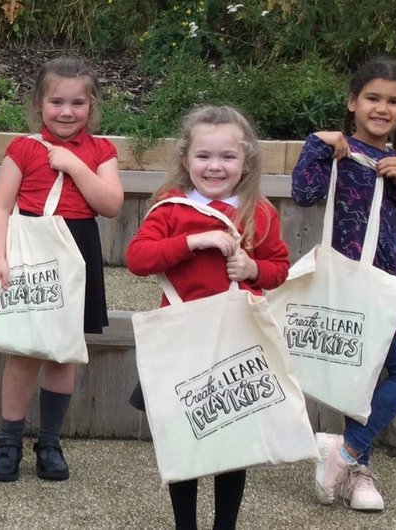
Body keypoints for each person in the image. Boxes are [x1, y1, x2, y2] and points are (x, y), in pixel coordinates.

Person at [126, 105, 291, 530]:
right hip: (183, 338)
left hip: (237, 339)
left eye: (227, 157)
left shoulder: (261, 212)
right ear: (185, 159)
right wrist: (193, 240)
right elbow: (138, 258)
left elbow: (279, 268)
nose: (214, 167)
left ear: (246, 161)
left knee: (232, 442)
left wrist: (253, 270)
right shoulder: (169, 209)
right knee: (185, 439)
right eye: (204, 156)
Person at [292, 56, 396, 512]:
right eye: (373, 97)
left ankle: (348, 456)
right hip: (344, 289)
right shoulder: (337, 154)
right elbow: (305, 193)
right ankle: (353, 460)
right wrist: (317, 144)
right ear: (353, 102)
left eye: (394, 101)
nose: (382, 108)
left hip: (380, 292)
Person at [0, 57, 123, 482]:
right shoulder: (23, 148)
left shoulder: (102, 151)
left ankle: (50, 442)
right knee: (24, 351)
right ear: (39, 104)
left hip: (78, 252)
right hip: (31, 249)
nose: (67, 112)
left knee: (63, 353)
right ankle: (8, 440)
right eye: (57, 102)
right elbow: (0, 206)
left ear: (92, 105)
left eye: (77, 102)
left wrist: (76, 165)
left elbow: (111, 205)